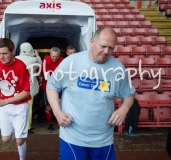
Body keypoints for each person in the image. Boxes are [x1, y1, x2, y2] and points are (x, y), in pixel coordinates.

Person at [46, 27, 135, 160]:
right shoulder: (71, 62)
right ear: (92, 41)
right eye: (103, 46)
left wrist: (124, 109)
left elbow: (129, 94)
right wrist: (57, 112)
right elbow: (51, 86)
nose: (106, 52)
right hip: (72, 138)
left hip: (103, 140)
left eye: (111, 48)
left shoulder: (118, 69)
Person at [0, 38, 31, 160]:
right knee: (6, 140)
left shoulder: (21, 66)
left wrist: (4, 101)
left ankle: (22, 157)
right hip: (4, 107)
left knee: (19, 141)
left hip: (20, 106)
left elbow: (26, 93)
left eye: (4, 53)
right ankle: (19, 133)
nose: (1, 57)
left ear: (13, 51)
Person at [16, 42, 42, 134]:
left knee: (18, 107)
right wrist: (37, 55)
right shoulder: (34, 60)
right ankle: (27, 127)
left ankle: (18, 126)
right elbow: (41, 65)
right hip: (29, 87)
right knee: (29, 107)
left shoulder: (16, 59)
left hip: (18, 88)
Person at [42, 47, 63, 131]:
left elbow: (64, 73)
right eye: (53, 56)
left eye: (56, 56)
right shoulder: (46, 60)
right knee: (49, 106)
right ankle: (49, 122)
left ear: (59, 55)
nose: (54, 58)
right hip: (47, 86)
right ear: (50, 55)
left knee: (59, 104)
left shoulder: (62, 59)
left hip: (59, 86)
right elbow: (46, 75)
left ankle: (59, 122)